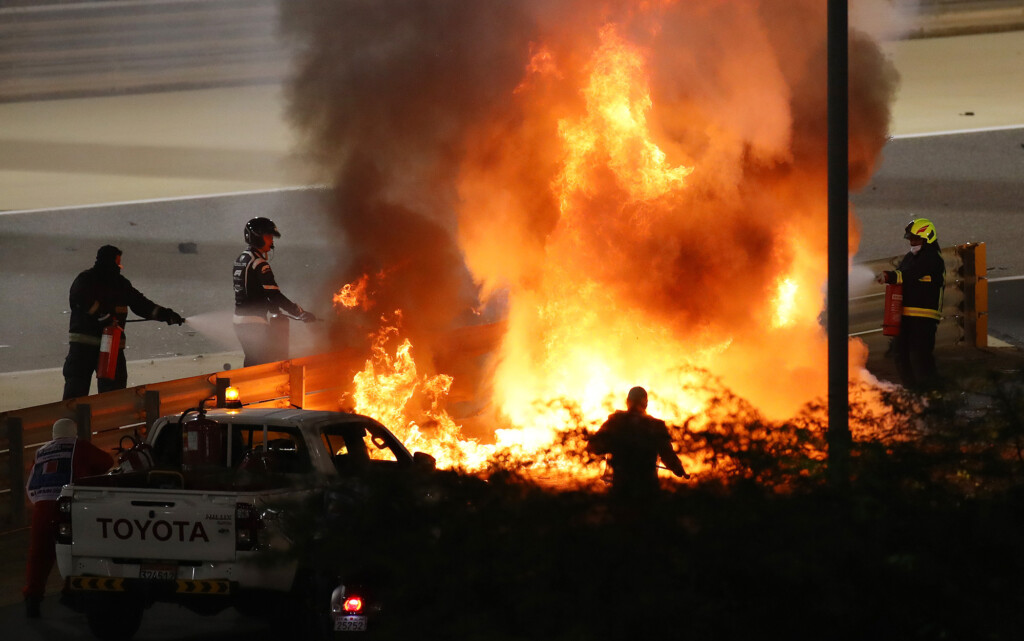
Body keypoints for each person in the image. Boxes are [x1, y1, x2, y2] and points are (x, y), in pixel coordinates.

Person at [62, 245, 185, 399]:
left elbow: (141, 305)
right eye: (118, 262)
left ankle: (105, 421)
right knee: (79, 390)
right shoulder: (87, 280)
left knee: (113, 393)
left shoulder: (120, 283)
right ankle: (72, 422)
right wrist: (104, 317)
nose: (121, 266)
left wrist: (167, 315)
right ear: (110, 261)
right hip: (85, 348)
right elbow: (80, 298)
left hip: (111, 347)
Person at [23, 418, 113, 618]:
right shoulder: (79, 447)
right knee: (78, 548)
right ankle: (70, 593)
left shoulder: (41, 451)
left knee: (39, 553)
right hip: (67, 507)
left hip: (41, 507)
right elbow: (107, 462)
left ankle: (32, 598)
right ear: (75, 433)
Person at [233, 217, 317, 366]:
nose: (271, 241)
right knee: (265, 367)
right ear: (256, 237)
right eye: (268, 236)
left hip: (240, 322)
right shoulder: (259, 263)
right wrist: (298, 312)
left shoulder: (242, 258)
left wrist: (271, 306)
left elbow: (250, 290)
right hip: (255, 324)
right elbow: (274, 294)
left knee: (252, 364)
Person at [875, 218, 946, 391]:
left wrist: (890, 276)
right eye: (911, 239)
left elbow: (910, 274)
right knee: (900, 355)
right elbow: (903, 272)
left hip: (924, 317)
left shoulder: (932, 258)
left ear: (928, 238)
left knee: (919, 357)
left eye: (916, 239)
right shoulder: (910, 257)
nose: (912, 243)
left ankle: (933, 395)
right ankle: (913, 393)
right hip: (905, 315)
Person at [588, 386, 689, 499]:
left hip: (621, 489)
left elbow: (594, 446)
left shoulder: (614, 422)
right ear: (646, 403)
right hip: (648, 489)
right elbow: (668, 455)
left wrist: (612, 445)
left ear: (627, 402)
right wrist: (679, 470)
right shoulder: (656, 425)